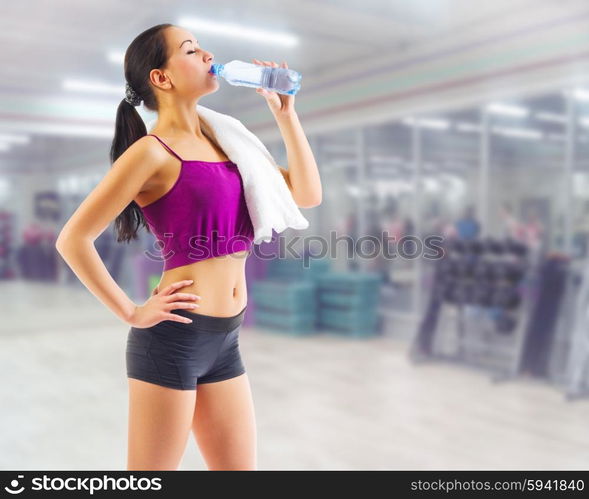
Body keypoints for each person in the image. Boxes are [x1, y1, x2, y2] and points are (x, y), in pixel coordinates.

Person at [55, 24, 321, 471]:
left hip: (226, 339)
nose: (207, 53)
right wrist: (130, 311)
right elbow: (73, 239)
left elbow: (307, 193)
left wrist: (286, 115)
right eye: (191, 49)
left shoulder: (229, 142)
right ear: (162, 78)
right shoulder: (150, 153)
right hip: (173, 338)